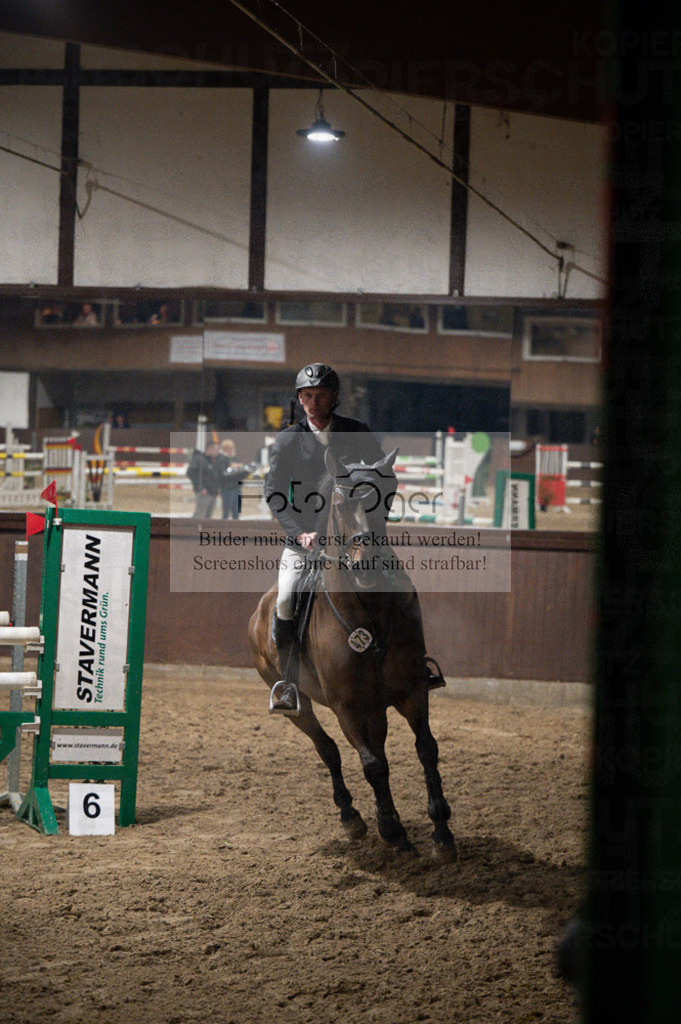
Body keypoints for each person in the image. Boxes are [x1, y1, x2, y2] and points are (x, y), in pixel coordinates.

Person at [264, 362, 443, 715]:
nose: (315, 402)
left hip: (358, 537)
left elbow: (383, 477)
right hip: (307, 541)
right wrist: (299, 534)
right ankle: (287, 684)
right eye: (308, 396)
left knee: (402, 585)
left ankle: (417, 663)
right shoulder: (287, 441)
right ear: (300, 399)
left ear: (334, 398)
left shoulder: (357, 432)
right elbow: (273, 493)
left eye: (322, 396)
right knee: (285, 599)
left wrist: (375, 521)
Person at [187, 440, 220, 518]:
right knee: (200, 514)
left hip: (213, 492)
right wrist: (201, 487)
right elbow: (191, 473)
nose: (217, 452)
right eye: (215, 449)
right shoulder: (199, 459)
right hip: (204, 492)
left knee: (208, 516)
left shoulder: (213, 461)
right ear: (209, 449)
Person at [216, 438, 244, 520]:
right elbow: (223, 474)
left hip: (236, 487)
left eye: (232, 447)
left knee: (236, 512)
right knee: (226, 511)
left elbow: (239, 473)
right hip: (227, 488)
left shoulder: (234, 459)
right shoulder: (221, 459)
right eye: (229, 447)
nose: (231, 449)